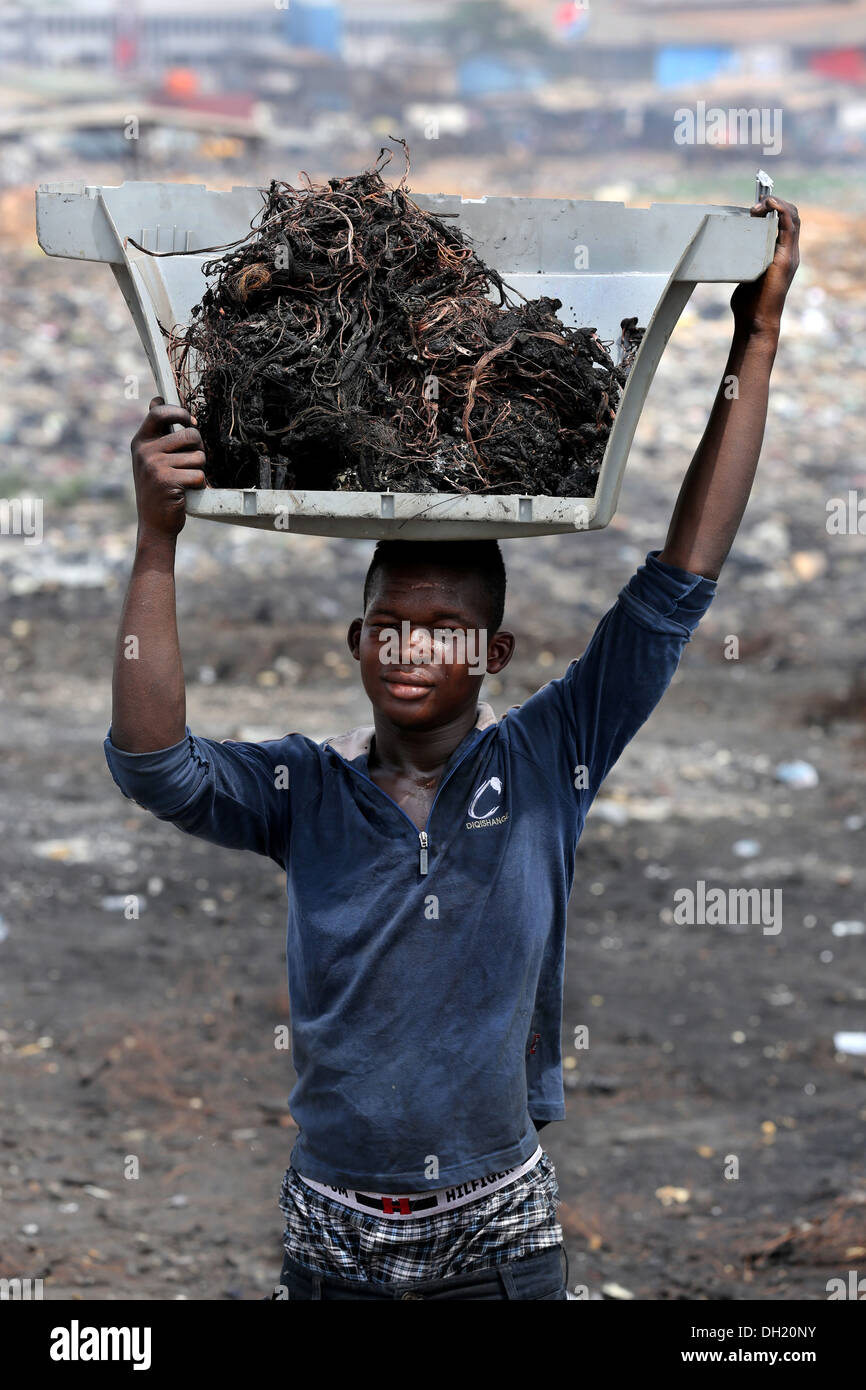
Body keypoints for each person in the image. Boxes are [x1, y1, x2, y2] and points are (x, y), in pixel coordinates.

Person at [104, 197, 800, 1301]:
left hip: (496, 1223)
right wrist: (155, 538)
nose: (412, 648)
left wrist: (751, 338)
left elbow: (678, 582)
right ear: (355, 640)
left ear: (495, 650)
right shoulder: (304, 791)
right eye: (390, 623)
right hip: (329, 1225)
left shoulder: (546, 761)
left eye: (444, 626)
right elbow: (154, 764)